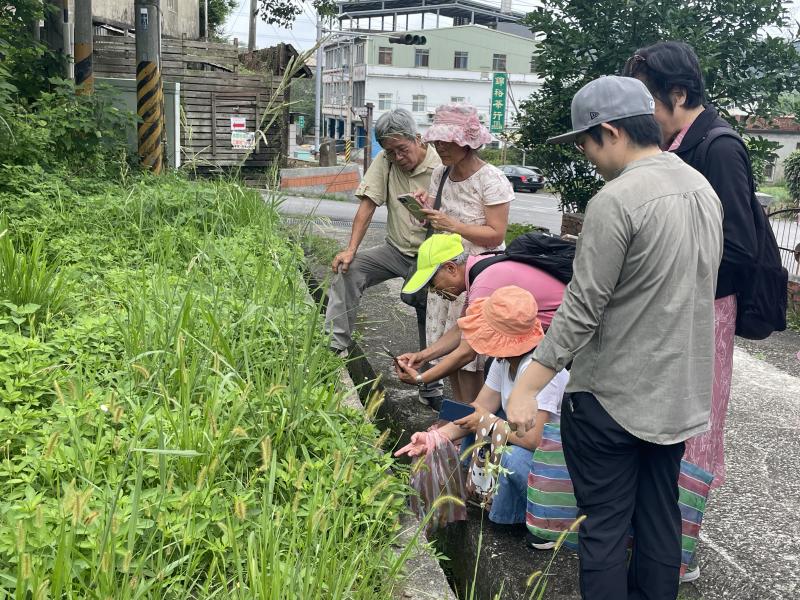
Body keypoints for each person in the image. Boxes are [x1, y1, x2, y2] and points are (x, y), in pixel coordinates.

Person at [505, 76, 723, 600]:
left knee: (603, 526)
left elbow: (581, 309)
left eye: (585, 141)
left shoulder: (616, 199)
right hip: (675, 399)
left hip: (612, 398)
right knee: (657, 519)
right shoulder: (702, 189)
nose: (585, 154)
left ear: (610, 131)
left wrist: (527, 386)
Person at [623, 42, 759, 582]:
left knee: (691, 429)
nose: (642, 115)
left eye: (648, 100)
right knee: (661, 422)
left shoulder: (717, 147)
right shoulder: (680, 142)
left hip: (704, 310)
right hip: (678, 305)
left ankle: (680, 554)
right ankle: (656, 539)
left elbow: (740, 246)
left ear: (678, 94)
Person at [395, 286, 569, 533]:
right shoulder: (504, 360)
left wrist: (486, 422)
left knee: (510, 457)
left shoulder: (543, 372)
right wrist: (435, 438)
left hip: (551, 462)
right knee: (472, 422)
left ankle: (525, 519)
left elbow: (534, 439)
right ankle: (480, 494)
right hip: (520, 439)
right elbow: (479, 408)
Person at [323, 108, 444, 403]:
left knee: (425, 307)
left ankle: (429, 383)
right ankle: (334, 349)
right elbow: (367, 205)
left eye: (402, 149)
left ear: (417, 139)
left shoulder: (441, 164)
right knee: (349, 271)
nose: (398, 157)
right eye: (391, 152)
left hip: (432, 257)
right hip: (394, 249)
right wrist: (350, 250)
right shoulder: (386, 162)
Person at [413, 103, 514, 403]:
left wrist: (453, 225)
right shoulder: (440, 174)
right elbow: (436, 218)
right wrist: (424, 210)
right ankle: (458, 420)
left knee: (470, 359)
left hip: (476, 277)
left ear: (467, 142)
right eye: (438, 140)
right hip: (445, 273)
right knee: (450, 359)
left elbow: (496, 234)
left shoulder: (491, 179)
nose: (440, 147)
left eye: (447, 140)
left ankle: (471, 423)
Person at [394, 233, 566, 395]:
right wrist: (422, 356)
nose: (433, 290)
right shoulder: (480, 267)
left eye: (432, 282)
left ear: (451, 268)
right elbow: (463, 327)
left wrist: (421, 378)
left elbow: (466, 352)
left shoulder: (485, 282)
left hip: (564, 334)